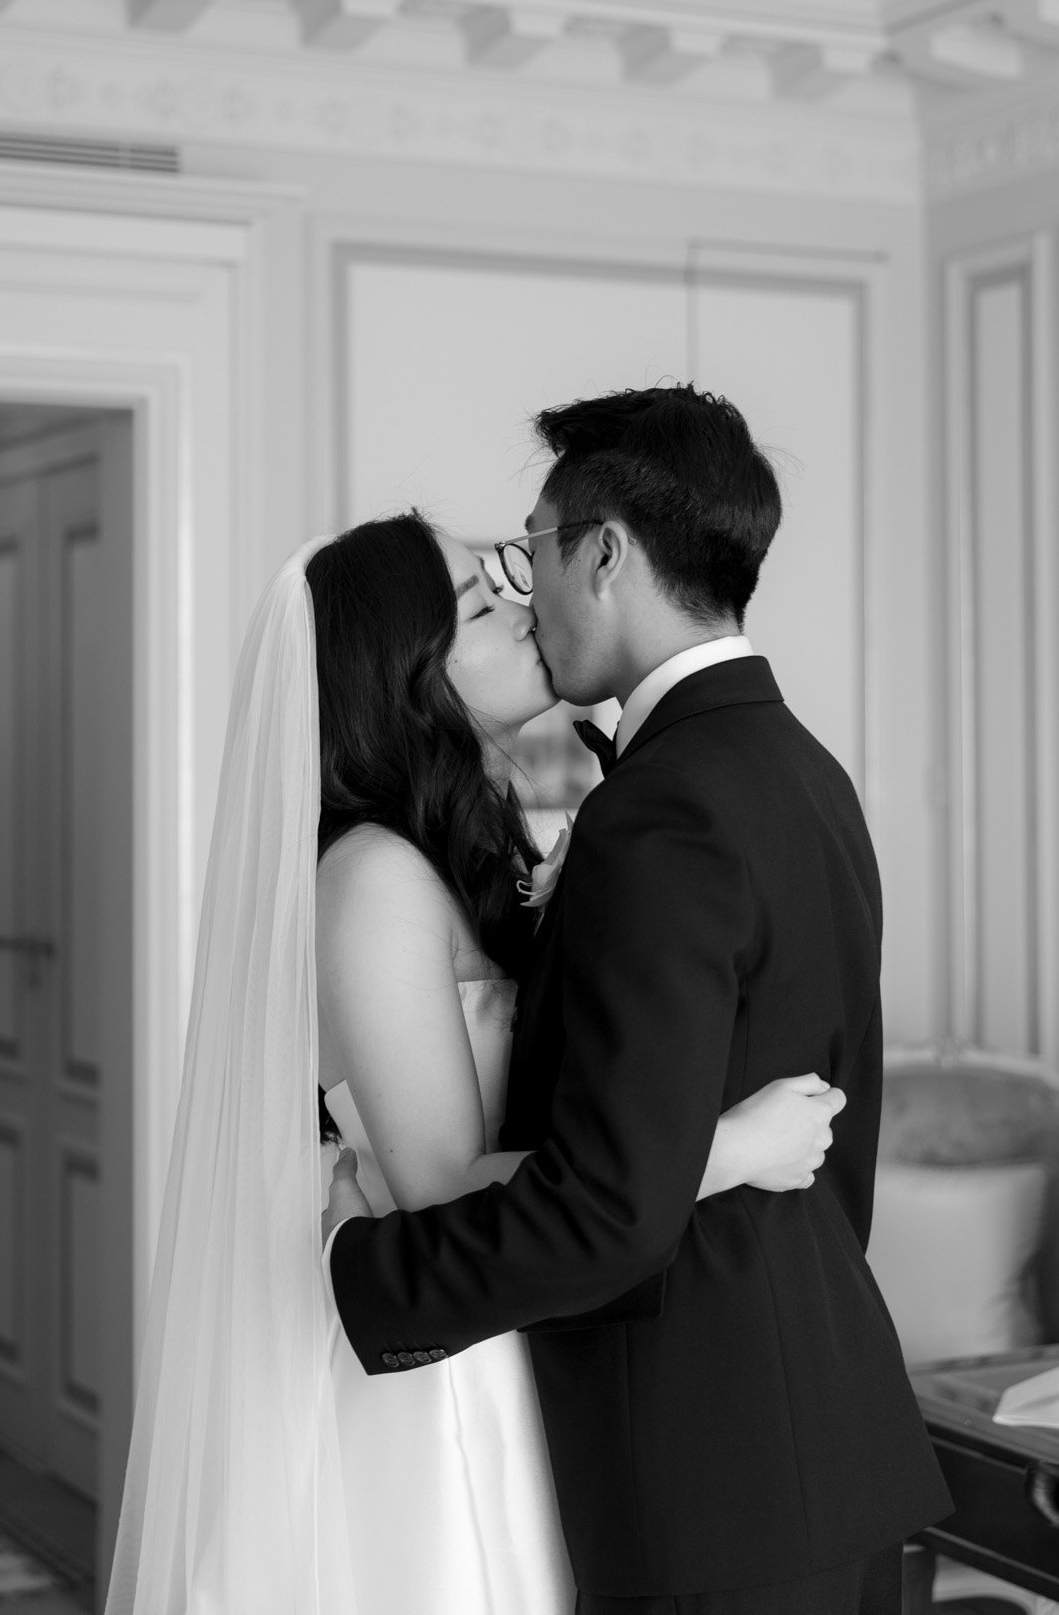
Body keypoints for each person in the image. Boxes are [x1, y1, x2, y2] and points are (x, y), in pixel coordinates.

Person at [104, 502, 844, 1615]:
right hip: (434, 1370)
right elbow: (441, 1186)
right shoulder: (372, 881)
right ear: (408, 676)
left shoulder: (461, 840)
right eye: (476, 598)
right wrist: (727, 1148)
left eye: (507, 570)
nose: (520, 597)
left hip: (520, 1319)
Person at [323, 385, 951, 1615]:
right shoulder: (798, 769)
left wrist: (362, 1271)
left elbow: (610, 1195)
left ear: (602, 552)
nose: (521, 588)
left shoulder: (661, 807)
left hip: (706, 1463)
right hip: (796, 1425)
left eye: (531, 550)